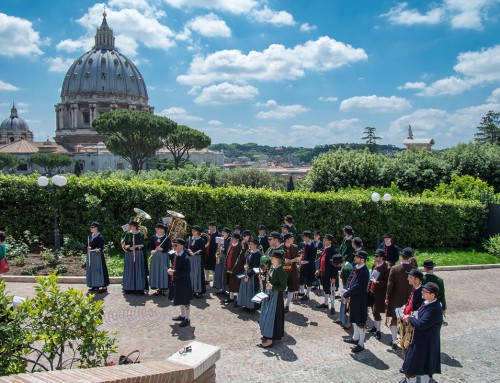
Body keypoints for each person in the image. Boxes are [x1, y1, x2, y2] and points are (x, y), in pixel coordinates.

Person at [401, 282, 443, 383]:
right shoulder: (427, 303)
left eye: (425, 291)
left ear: (433, 295)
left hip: (425, 342)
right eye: (422, 290)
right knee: (422, 367)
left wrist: (410, 319)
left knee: (414, 367)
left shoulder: (434, 308)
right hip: (421, 340)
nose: (422, 293)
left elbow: (421, 324)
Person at [386, 247, 416, 350]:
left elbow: (390, 285)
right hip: (410, 299)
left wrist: (387, 297)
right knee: (407, 321)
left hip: (396, 298)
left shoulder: (394, 269)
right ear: (410, 257)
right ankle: (405, 341)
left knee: (394, 320)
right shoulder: (414, 270)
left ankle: (394, 341)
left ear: (401, 256)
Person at [258, 249, 287, 348]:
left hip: (276, 297)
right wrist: (263, 279)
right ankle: (267, 334)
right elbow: (269, 279)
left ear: (277, 259)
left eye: (272, 257)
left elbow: (283, 287)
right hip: (270, 294)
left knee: (273, 317)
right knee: (267, 314)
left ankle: (270, 339)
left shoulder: (281, 271)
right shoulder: (272, 268)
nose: (270, 258)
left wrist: (272, 287)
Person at [342, 250, 370, 353]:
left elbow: (358, 286)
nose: (354, 259)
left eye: (357, 257)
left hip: (359, 300)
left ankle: (361, 343)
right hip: (353, 298)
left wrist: (347, 294)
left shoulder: (364, 272)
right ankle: (355, 337)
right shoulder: (356, 267)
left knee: (360, 322)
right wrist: (346, 290)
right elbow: (350, 280)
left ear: (362, 260)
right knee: (353, 319)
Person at [168, 239, 192, 327]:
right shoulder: (176, 255)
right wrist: (171, 269)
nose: (174, 247)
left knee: (185, 301)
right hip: (177, 281)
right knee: (180, 298)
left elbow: (186, 272)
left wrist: (173, 272)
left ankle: (187, 318)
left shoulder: (185, 258)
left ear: (181, 246)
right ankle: (182, 315)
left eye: (176, 245)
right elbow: (174, 265)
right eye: (173, 245)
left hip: (184, 283)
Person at [367, 249, 389, 340]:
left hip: (380, 293)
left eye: (377, 256)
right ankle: (375, 327)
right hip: (372, 291)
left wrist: (377, 283)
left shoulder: (386, 268)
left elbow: (387, 282)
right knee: (373, 309)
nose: (375, 258)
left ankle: (378, 331)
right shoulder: (374, 265)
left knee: (377, 311)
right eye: (375, 256)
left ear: (382, 258)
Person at [315, 233, 338, 314]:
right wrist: (318, 269)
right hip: (323, 272)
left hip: (330, 274)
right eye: (324, 238)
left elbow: (335, 265)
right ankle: (325, 303)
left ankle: (332, 306)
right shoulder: (324, 248)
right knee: (325, 288)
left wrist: (334, 277)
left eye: (326, 239)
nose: (324, 240)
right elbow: (321, 260)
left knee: (332, 290)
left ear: (330, 241)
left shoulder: (333, 251)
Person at [122, 221, 147, 294]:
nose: (129, 227)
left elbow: (142, 244)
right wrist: (129, 247)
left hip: (138, 254)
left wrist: (136, 246)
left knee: (138, 270)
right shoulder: (127, 234)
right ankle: (129, 288)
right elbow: (125, 244)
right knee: (130, 270)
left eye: (131, 225)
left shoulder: (141, 234)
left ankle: (139, 288)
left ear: (134, 226)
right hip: (129, 254)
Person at [237, 237, 262, 310]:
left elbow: (256, 267)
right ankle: (245, 304)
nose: (249, 246)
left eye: (251, 244)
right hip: (247, 273)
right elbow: (247, 262)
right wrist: (245, 266)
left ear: (255, 245)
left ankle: (252, 306)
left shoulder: (258, 254)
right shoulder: (249, 252)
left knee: (251, 291)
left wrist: (248, 276)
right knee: (245, 290)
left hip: (252, 276)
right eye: (249, 244)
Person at [86, 222, 109, 293]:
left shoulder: (100, 237)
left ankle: (104, 287)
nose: (90, 228)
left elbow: (100, 247)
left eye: (92, 227)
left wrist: (94, 248)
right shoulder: (90, 235)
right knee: (92, 271)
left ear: (96, 228)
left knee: (99, 270)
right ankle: (95, 285)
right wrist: (88, 248)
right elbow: (87, 245)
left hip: (98, 257)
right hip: (91, 256)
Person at [149, 223, 172, 296]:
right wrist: (152, 250)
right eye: (156, 229)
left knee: (163, 271)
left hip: (163, 257)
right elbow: (151, 246)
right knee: (156, 271)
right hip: (155, 257)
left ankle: (164, 288)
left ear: (162, 230)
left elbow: (170, 249)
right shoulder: (153, 237)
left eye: (158, 229)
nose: (156, 230)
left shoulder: (166, 238)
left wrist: (162, 249)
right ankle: (158, 288)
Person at [224, 233, 244, 305]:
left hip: (237, 269)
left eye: (233, 238)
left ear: (237, 239)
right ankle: (231, 297)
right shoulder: (230, 245)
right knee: (231, 283)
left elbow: (241, 259)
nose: (231, 239)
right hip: (229, 267)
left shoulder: (240, 247)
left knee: (237, 284)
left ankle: (238, 300)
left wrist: (235, 268)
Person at [282, 232, 300, 313]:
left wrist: (297, 259)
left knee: (291, 288)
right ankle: (280, 304)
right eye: (291, 238)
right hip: (282, 271)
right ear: (287, 239)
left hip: (292, 270)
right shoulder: (280, 247)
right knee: (281, 288)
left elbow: (297, 256)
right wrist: (284, 260)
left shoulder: (295, 247)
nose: (293, 240)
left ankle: (287, 305)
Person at [335, 254, 353, 329]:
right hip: (346, 287)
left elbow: (349, 281)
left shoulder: (346, 268)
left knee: (346, 305)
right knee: (344, 305)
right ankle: (341, 318)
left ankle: (347, 322)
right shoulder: (346, 265)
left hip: (347, 288)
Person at [298, 231, 316, 301]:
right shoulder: (302, 244)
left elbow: (312, 259)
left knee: (309, 280)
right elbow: (300, 252)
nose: (302, 238)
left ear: (308, 237)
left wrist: (303, 262)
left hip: (309, 266)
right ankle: (302, 292)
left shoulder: (313, 246)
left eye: (304, 236)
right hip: (302, 265)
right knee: (301, 278)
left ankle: (307, 294)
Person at [188, 225, 206, 298]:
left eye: (194, 231)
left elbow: (202, 250)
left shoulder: (202, 240)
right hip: (190, 259)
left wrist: (195, 253)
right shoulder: (190, 239)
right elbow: (186, 247)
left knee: (198, 274)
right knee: (191, 274)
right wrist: (188, 250)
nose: (192, 232)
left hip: (197, 259)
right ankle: (192, 289)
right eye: (192, 231)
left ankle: (199, 291)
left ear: (198, 232)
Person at [214, 227, 231, 295]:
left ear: (227, 233)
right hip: (220, 256)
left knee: (224, 273)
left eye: (224, 232)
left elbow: (227, 249)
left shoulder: (229, 239)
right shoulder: (221, 238)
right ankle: (221, 288)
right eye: (222, 232)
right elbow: (218, 247)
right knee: (219, 272)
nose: (222, 233)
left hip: (225, 257)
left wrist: (222, 248)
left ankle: (225, 289)